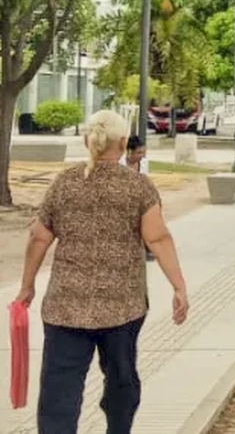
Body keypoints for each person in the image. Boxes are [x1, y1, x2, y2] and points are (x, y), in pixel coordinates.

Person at [15, 110, 188, 434]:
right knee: (122, 380)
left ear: (87, 141)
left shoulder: (64, 183)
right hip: (122, 306)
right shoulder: (138, 186)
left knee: (59, 390)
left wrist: (27, 286)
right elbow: (158, 237)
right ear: (123, 144)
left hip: (65, 307)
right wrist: (179, 287)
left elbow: (39, 236)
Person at [121, 136, 156, 262]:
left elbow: (145, 182)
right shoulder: (120, 163)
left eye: (143, 152)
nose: (141, 156)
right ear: (129, 151)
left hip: (138, 197)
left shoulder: (144, 164)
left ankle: (148, 246)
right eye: (139, 152)